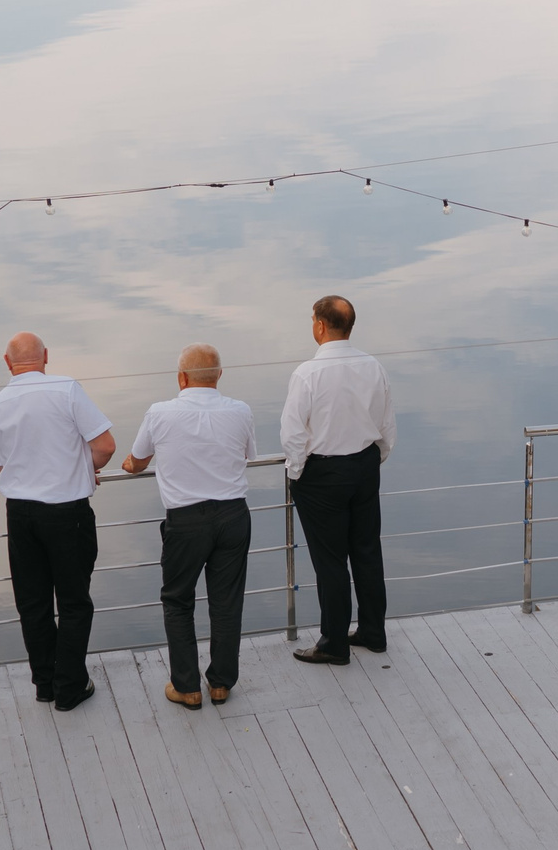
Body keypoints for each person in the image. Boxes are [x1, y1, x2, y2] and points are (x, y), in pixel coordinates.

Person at [0, 331, 114, 711]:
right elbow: (105, 446)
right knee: (74, 602)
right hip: (67, 512)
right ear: (46, 357)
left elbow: (0, 468)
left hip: (21, 514)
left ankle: (45, 683)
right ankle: (70, 687)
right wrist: (83, 469)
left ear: (7, 363)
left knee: (33, 603)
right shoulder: (66, 389)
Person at [121, 344, 257, 711]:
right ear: (219, 375)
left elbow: (138, 459)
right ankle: (221, 684)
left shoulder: (159, 413)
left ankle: (187, 687)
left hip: (186, 521)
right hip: (233, 515)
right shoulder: (240, 410)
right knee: (226, 603)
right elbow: (248, 455)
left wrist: (131, 465)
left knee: (178, 601)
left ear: (181, 378)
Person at [282, 295, 395, 664]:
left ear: (319, 325)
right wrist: (374, 459)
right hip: (364, 467)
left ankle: (334, 644)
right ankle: (373, 632)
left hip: (322, 475)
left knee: (330, 561)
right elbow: (386, 425)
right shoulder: (373, 366)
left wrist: (297, 473)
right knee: (367, 551)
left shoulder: (307, 373)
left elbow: (293, 434)